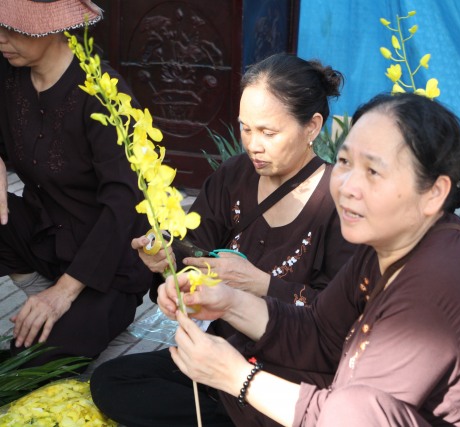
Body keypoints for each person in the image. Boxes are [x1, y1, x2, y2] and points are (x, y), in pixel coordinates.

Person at [152, 93, 460, 426]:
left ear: (434, 193)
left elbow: (355, 415)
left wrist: (237, 377)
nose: (347, 187)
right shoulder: (384, 246)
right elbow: (319, 333)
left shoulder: (437, 279)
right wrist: (229, 302)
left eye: (373, 172)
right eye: (344, 162)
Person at [90, 53, 356, 426]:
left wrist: (263, 284)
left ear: (312, 126)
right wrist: (168, 260)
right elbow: (195, 249)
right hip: (217, 354)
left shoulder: (340, 203)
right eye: (245, 129)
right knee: (111, 381)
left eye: (268, 133)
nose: (253, 145)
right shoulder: (235, 175)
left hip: (285, 376)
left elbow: (338, 320)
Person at [0, 0, 152, 366]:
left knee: (31, 362)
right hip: (43, 238)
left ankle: (61, 306)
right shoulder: (8, 72)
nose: (1, 39)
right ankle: (40, 292)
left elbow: (123, 205)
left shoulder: (105, 95)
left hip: (106, 266)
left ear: (53, 28)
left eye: (12, 29)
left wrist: (62, 294)